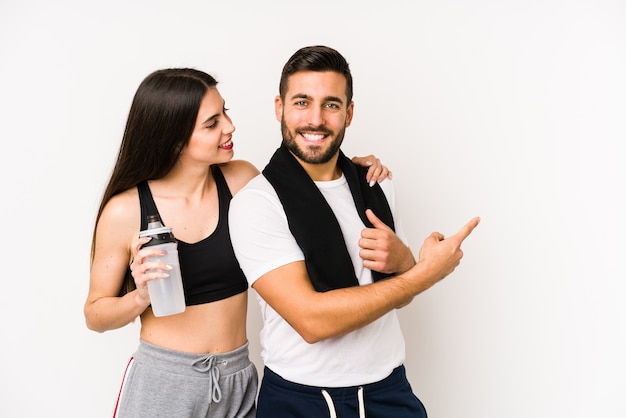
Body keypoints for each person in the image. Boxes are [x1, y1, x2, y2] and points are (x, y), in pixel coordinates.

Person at [84, 67, 391, 418]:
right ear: (174, 137)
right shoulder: (126, 211)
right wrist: (139, 297)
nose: (229, 127)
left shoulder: (242, 181)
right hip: (166, 382)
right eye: (212, 123)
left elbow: (299, 189)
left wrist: (352, 169)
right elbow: (95, 314)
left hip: (238, 378)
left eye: (225, 113)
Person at [228, 45, 481, 418]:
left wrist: (405, 261)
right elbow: (311, 321)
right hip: (301, 399)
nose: (315, 120)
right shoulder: (257, 203)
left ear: (348, 113)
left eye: (330, 105)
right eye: (302, 103)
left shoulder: (376, 185)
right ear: (279, 108)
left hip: (389, 390)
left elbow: (396, 294)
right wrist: (424, 273)